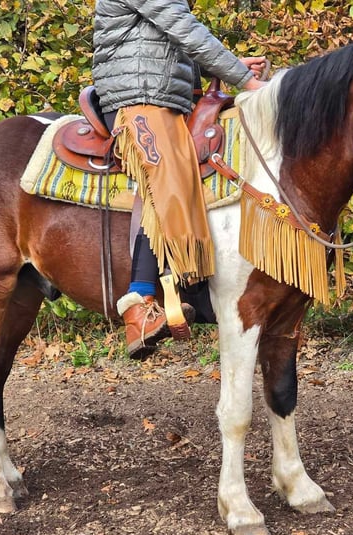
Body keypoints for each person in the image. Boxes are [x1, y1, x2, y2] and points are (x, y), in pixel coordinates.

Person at [92, 0, 267, 359]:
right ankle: (139, 305)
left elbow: (172, 43)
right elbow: (183, 28)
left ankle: (198, 285)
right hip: (137, 98)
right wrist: (247, 80)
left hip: (163, 97)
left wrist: (231, 66)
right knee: (165, 176)